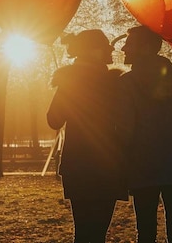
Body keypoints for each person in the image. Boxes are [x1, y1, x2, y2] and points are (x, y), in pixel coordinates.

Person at [120, 25, 172, 243]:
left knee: (145, 233)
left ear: (146, 47)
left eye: (129, 44)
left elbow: (124, 129)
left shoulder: (125, 84)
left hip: (141, 168)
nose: (123, 48)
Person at [47, 29, 129, 243]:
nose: (112, 53)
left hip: (77, 164)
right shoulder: (116, 82)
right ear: (93, 51)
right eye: (106, 49)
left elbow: (54, 119)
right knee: (98, 232)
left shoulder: (69, 82)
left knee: (83, 231)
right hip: (108, 164)